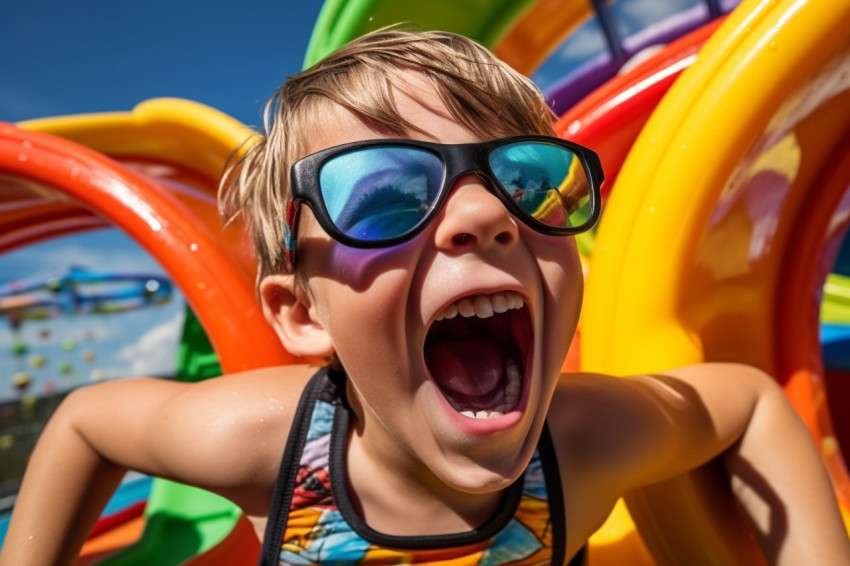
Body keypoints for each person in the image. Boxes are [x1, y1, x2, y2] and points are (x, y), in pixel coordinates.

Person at [1, 28, 848, 566]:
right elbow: (85, 422)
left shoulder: (589, 443)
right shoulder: (262, 443)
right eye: (382, 197)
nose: (484, 214)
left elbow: (749, 406)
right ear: (300, 314)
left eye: (530, 180)